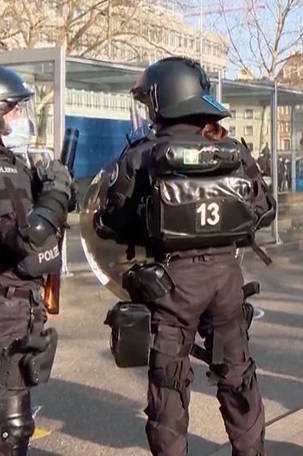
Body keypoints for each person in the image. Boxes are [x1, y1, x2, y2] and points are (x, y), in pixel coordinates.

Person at [96, 57, 276, 456]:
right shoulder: (232, 150)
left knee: (169, 385)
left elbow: (111, 221)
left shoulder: (142, 155)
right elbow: (264, 209)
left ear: (162, 100)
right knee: (237, 378)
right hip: (227, 280)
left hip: (170, 285)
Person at [0, 68, 70, 456]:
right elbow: (29, 245)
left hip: (16, 309)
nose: (20, 118)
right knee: (12, 429)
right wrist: (55, 198)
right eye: (13, 109)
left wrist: (47, 188)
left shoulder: (14, 164)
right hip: (5, 314)